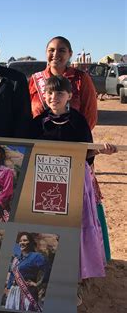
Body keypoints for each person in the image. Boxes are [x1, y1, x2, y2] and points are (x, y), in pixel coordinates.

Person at [29, 76, 116, 299]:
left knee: (74, 231)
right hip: (47, 185)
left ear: (69, 96)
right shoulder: (38, 122)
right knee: (49, 230)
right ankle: (47, 279)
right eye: (49, 93)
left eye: (59, 94)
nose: (53, 97)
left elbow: (87, 152)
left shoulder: (78, 121)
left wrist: (101, 149)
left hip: (76, 182)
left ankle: (74, 280)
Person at [29, 36, 97, 130]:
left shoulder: (81, 78)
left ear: (70, 54)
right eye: (51, 50)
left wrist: (78, 137)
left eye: (62, 50)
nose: (55, 54)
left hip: (70, 141)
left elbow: (90, 115)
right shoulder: (35, 79)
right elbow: (26, 113)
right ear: (46, 53)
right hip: (40, 141)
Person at [4, 232, 49, 312]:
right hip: (14, 292)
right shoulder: (16, 259)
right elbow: (12, 274)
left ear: (31, 242)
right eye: (20, 241)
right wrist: (8, 287)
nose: (22, 242)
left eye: (25, 240)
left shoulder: (36, 256)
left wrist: (37, 284)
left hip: (28, 292)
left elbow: (47, 270)